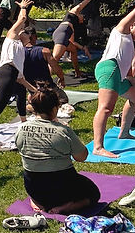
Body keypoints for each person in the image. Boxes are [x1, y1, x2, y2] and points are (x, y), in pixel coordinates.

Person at [92, 0, 135, 157]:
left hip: (118, 74)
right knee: (105, 108)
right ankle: (98, 147)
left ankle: (124, 131)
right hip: (108, 69)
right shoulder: (121, 30)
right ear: (132, 25)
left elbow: (127, 69)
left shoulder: (130, 45)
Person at [14, 83, 100, 214]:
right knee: (93, 193)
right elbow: (81, 157)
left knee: (40, 185)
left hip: (33, 186)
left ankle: (37, 202)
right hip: (63, 188)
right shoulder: (63, 131)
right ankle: (64, 208)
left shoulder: (21, 128)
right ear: (55, 108)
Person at [0, 0, 37, 142]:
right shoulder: (11, 38)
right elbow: (21, 20)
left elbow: (20, 79)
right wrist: (23, 8)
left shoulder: (21, 50)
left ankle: (23, 122)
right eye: (22, 31)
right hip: (5, 74)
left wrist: (35, 90)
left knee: (21, 92)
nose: (23, 32)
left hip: (11, 75)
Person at [52, 0, 100, 79]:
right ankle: (44, 78)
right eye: (83, 16)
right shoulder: (73, 13)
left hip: (62, 34)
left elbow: (73, 42)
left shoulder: (72, 27)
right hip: (61, 33)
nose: (83, 18)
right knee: (54, 59)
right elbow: (87, 0)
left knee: (73, 50)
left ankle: (78, 73)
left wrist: (83, 48)